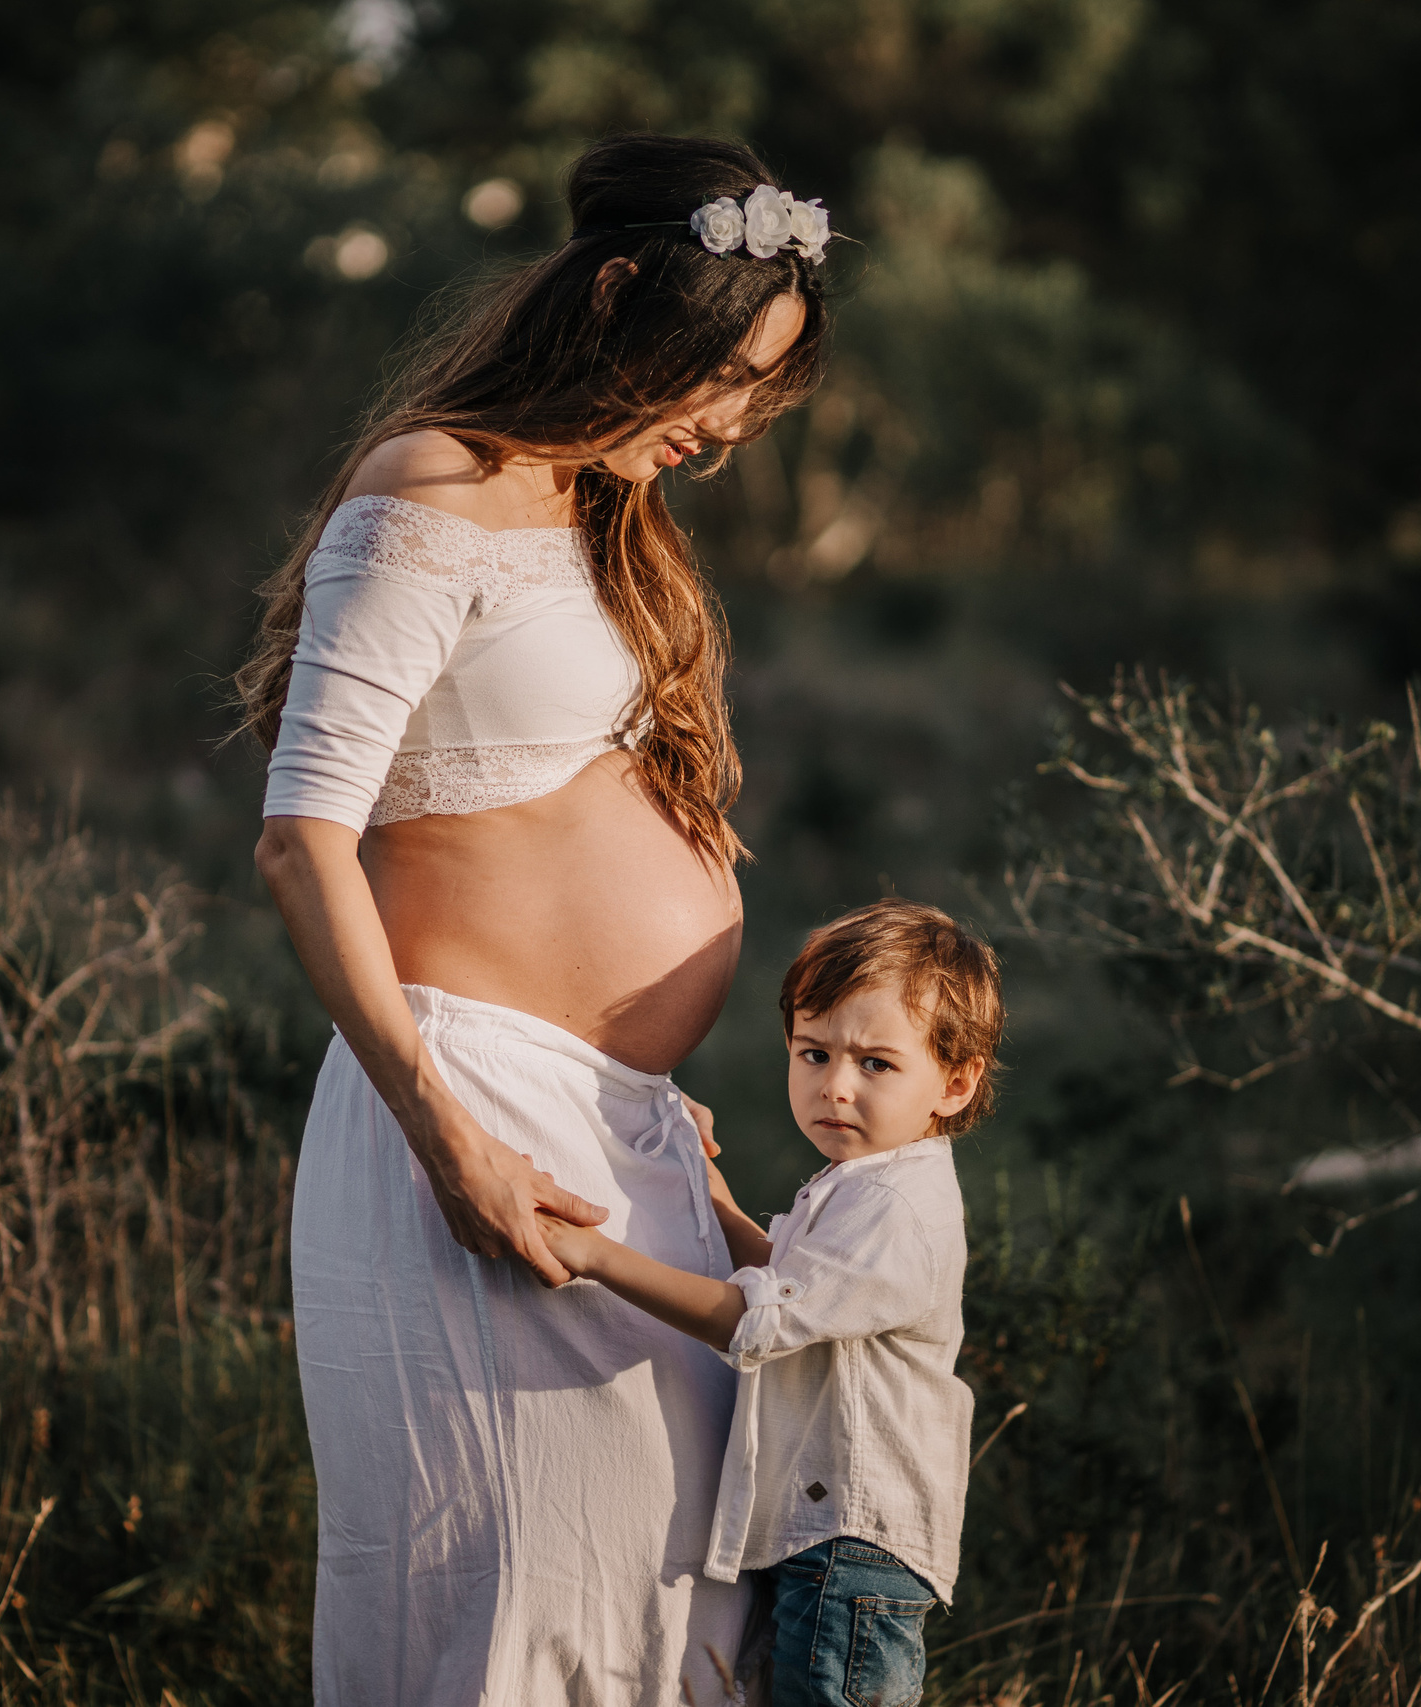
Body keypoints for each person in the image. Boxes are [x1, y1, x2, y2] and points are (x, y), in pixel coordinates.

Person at [235, 133, 832, 1705]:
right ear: (619, 295)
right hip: (473, 1114)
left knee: (661, 1606)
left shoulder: (592, 506)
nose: (730, 423)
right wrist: (450, 1138)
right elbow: (303, 839)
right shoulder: (430, 488)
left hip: (609, 1123)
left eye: (759, 390)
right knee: (519, 1611)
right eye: (722, 374)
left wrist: (643, 1095)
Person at [535, 899, 1001, 1707]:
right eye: (814, 1052)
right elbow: (790, 1287)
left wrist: (597, 1254)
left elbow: (757, 1320)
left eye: (876, 1063)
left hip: (853, 1551)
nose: (835, 1086)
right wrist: (711, 1195)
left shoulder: (897, 1207)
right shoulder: (865, 1181)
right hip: (831, 1542)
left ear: (956, 1083)